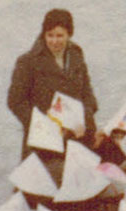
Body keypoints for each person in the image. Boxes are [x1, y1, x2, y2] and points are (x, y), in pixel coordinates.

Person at [7, 10, 98, 155]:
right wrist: (45, 125)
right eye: (50, 35)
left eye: (60, 35)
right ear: (44, 34)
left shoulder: (76, 55)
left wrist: (84, 119)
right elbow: (15, 102)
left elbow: (87, 93)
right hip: (43, 145)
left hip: (78, 140)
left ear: (69, 34)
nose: (54, 41)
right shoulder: (28, 62)